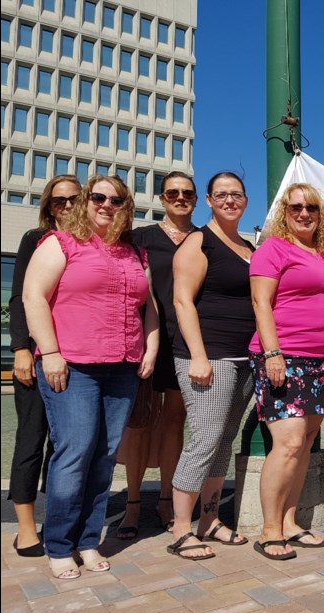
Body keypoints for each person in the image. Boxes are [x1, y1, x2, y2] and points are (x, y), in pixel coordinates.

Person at [23, 175, 159, 579]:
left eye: (116, 199)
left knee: (104, 455)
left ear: (125, 207)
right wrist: (49, 353)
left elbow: (148, 307)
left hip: (122, 366)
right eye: (98, 196)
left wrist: (150, 347)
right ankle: (60, 544)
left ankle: (87, 541)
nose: (106, 204)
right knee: (76, 450)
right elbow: (33, 297)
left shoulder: (134, 253)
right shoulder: (60, 243)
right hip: (72, 364)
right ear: (85, 201)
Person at [249, 183, 324, 560]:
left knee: (305, 442)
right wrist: (273, 353)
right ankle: (269, 529)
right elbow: (261, 302)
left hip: (319, 359)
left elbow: (321, 304)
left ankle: (290, 522)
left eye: (311, 207)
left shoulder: (323, 254)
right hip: (282, 357)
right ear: (284, 212)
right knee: (288, 443)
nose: (304, 213)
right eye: (296, 207)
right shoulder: (272, 249)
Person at [166, 171, 256, 561]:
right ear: (209, 200)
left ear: (245, 200)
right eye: (222, 195)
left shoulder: (249, 246)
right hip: (209, 356)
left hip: (243, 359)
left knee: (222, 442)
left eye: (236, 194)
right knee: (203, 441)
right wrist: (198, 355)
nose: (229, 201)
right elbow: (182, 302)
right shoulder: (198, 241)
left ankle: (209, 519)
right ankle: (181, 529)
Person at [115, 171, 198, 539]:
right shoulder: (141, 238)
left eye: (187, 193)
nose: (180, 198)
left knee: (174, 423)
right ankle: (133, 504)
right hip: (146, 340)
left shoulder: (203, 239)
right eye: (173, 193)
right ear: (162, 198)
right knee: (140, 423)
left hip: (188, 343)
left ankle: (166, 499)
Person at [7, 175, 82, 557]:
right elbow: (20, 297)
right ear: (48, 206)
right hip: (37, 355)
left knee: (65, 444)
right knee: (31, 438)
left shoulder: (90, 242)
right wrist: (20, 348)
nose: (67, 206)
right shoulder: (35, 240)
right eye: (58, 201)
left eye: (73, 199)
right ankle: (24, 527)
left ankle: (58, 518)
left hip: (75, 356)